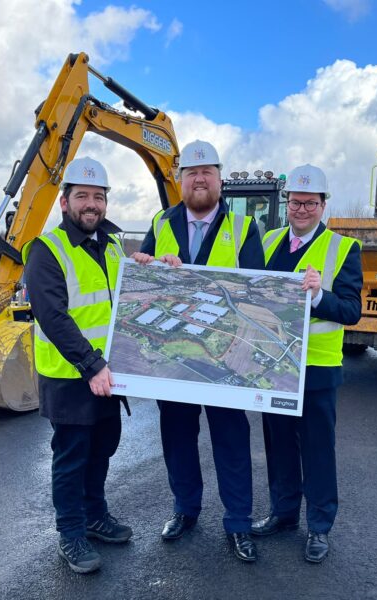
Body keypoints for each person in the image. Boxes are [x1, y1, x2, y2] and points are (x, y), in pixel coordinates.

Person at [132, 140, 265, 562]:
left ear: (219, 179)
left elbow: (256, 291)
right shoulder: (162, 221)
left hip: (224, 355)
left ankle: (239, 523)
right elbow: (145, 285)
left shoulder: (244, 229)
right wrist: (146, 265)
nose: (199, 179)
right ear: (180, 180)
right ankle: (185, 510)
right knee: (177, 438)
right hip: (177, 356)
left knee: (231, 440)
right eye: (191, 172)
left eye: (207, 171)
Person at [23, 157, 132, 575]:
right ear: (65, 202)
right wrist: (91, 364)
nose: (91, 204)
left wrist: (155, 269)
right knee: (72, 457)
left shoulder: (114, 245)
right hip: (71, 376)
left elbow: (123, 296)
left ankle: (95, 515)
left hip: (108, 372)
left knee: (103, 449)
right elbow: (53, 316)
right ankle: (71, 532)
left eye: (98, 197)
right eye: (82, 196)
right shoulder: (47, 250)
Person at [250, 164, 363, 563]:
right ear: (287, 203)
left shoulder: (343, 249)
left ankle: (319, 526)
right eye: (295, 202)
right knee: (278, 446)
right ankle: (282, 514)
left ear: (323, 205)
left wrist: (318, 297)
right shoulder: (268, 241)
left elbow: (352, 310)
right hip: (273, 367)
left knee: (317, 450)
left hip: (316, 369)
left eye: (310, 203)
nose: (301, 209)